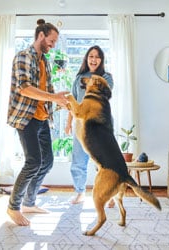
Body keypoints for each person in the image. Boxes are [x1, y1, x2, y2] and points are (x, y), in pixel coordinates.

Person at [7, 19, 69, 226]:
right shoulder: (23, 56)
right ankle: (13, 207)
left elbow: (48, 92)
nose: (53, 45)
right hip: (26, 118)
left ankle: (29, 202)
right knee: (33, 161)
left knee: (47, 161)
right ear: (41, 36)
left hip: (42, 118)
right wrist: (53, 98)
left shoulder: (45, 61)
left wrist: (61, 102)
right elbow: (24, 88)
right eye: (51, 41)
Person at [65, 45, 114, 205]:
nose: (94, 59)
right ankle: (80, 192)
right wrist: (68, 123)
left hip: (100, 127)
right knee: (78, 160)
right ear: (87, 58)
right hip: (81, 127)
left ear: (101, 60)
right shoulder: (79, 78)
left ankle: (109, 193)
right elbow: (71, 103)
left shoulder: (106, 78)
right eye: (91, 56)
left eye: (97, 56)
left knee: (104, 161)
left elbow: (101, 98)